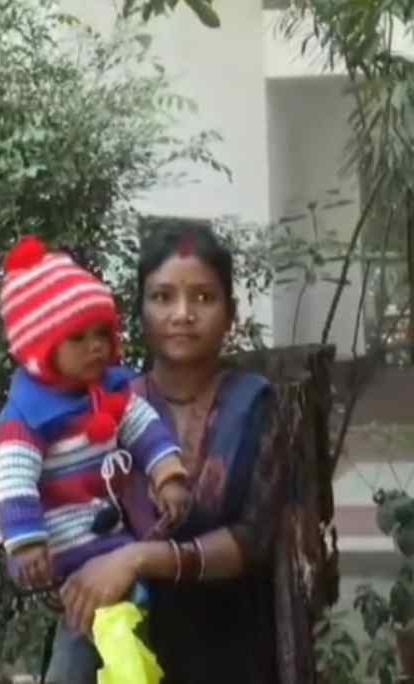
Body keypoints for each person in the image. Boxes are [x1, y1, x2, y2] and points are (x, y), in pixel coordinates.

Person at [56, 222, 304, 683]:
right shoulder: (108, 409)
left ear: (230, 314)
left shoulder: (255, 404)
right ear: (140, 312)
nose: (183, 314)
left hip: (231, 648)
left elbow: (252, 539)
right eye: (163, 297)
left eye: (204, 298)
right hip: (123, 644)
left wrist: (137, 558)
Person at [0, 236, 193, 683]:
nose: (96, 346)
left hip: (112, 544)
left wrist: (167, 473)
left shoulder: (110, 390)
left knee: (122, 632)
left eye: (103, 333)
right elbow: (13, 480)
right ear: (42, 348)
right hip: (63, 554)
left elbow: (144, 427)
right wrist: (25, 542)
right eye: (78, 338)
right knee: (82, 636)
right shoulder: (27, 415)